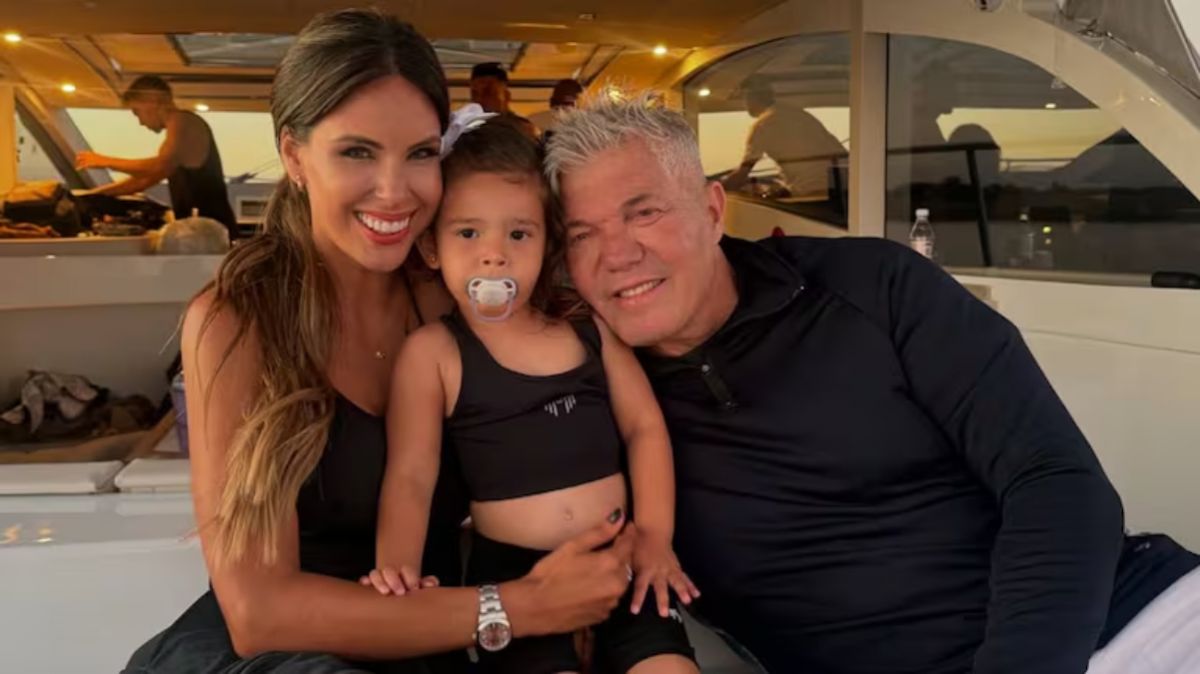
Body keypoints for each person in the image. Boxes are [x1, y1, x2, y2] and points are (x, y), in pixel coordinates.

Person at [545, 93, 1200, 674]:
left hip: (1136, 625)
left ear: (713, 210)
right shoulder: (591, 404)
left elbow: (1053, 479)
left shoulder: (871, 287)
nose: (617, 253)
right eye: (583, 234)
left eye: (643, 213)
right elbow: (603, 581)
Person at [121, 11, 636, 674]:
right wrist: (521, 608)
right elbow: (258, 614)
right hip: (292, 657)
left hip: (434, 636)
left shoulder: (452, 299)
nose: (395, 193)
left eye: (420, 154)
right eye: (357, 152)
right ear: (294, 156)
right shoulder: (238, 321)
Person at [361, 114, 697, 674]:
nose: (494, 255)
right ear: (431, 247)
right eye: (468, 233)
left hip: (621, 562)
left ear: (548, 245)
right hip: (516, 581)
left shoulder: (588, 330)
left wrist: (657, 538)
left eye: (518, 234)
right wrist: (397, 566)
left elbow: (645, 428)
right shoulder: (433, 354)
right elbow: (412, 473)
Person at [75, 75, 239, 238]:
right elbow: (143, 180)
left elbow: (158, 166)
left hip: (210, 235)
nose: (140, 122)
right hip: (206, 232)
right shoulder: (177, 131)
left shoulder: (183, 122)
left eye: (137, 112)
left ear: (152, 100)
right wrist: (90, 196)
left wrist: (104, 161)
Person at [720, 75, 846, 199]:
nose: (745, 104)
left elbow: (742, 175)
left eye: (744, 98)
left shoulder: (763, 125)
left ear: (751, 97)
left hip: (813, 191)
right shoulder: (798, 114)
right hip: (845, 185)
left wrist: (718, 188)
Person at [469, 62, 537, 139]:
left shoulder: (523, 130)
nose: (479, 99)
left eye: (488, 92)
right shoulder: (467, 129)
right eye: (475, 93)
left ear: (506, 96)